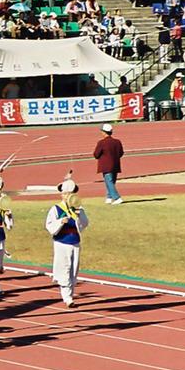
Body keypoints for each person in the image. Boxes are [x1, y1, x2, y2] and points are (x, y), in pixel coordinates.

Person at [45, 175, 89, 306]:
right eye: (65, 194)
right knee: (64, 267)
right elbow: (49, 225)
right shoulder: (56, 209)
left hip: (74, 241)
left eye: (70, 194)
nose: (67, 196)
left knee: (73, 268)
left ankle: (70, 293)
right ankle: (67, 297)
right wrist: (60, 222)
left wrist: (79, 215)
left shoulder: (78, 209)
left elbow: (84, 224)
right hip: (62, 242)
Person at [93, 122, 124, 204]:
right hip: (116, 165)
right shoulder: (117, 142)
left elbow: (96, 154)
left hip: (106, 166)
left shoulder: (101, 142)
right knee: (111, 181)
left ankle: (117, 198)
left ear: (104, 132)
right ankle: (109, 197)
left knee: (109, 182)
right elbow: (121, 153)